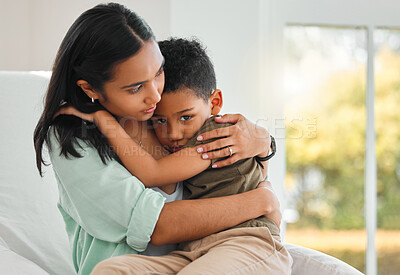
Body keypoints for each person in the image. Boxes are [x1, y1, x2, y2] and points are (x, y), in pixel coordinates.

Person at [33, 3, 281, 275]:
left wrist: (264, 142)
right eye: (136, 87)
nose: (155, 95)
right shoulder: (72, 137)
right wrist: (261, 202)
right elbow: (157, 225)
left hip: (219, 250)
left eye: (158, 73)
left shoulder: (166, 115)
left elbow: (241, 171)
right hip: (176, 258)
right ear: (91, 88)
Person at [85, 38, 292, 274]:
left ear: (214, 103)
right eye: (161, 121)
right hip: (193, 250)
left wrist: (103, 119)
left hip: (247, 242)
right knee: (111, 270)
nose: (173, 134)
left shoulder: (215, 136)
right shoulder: (182, 141)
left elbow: (153, 173)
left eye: (186, 117)